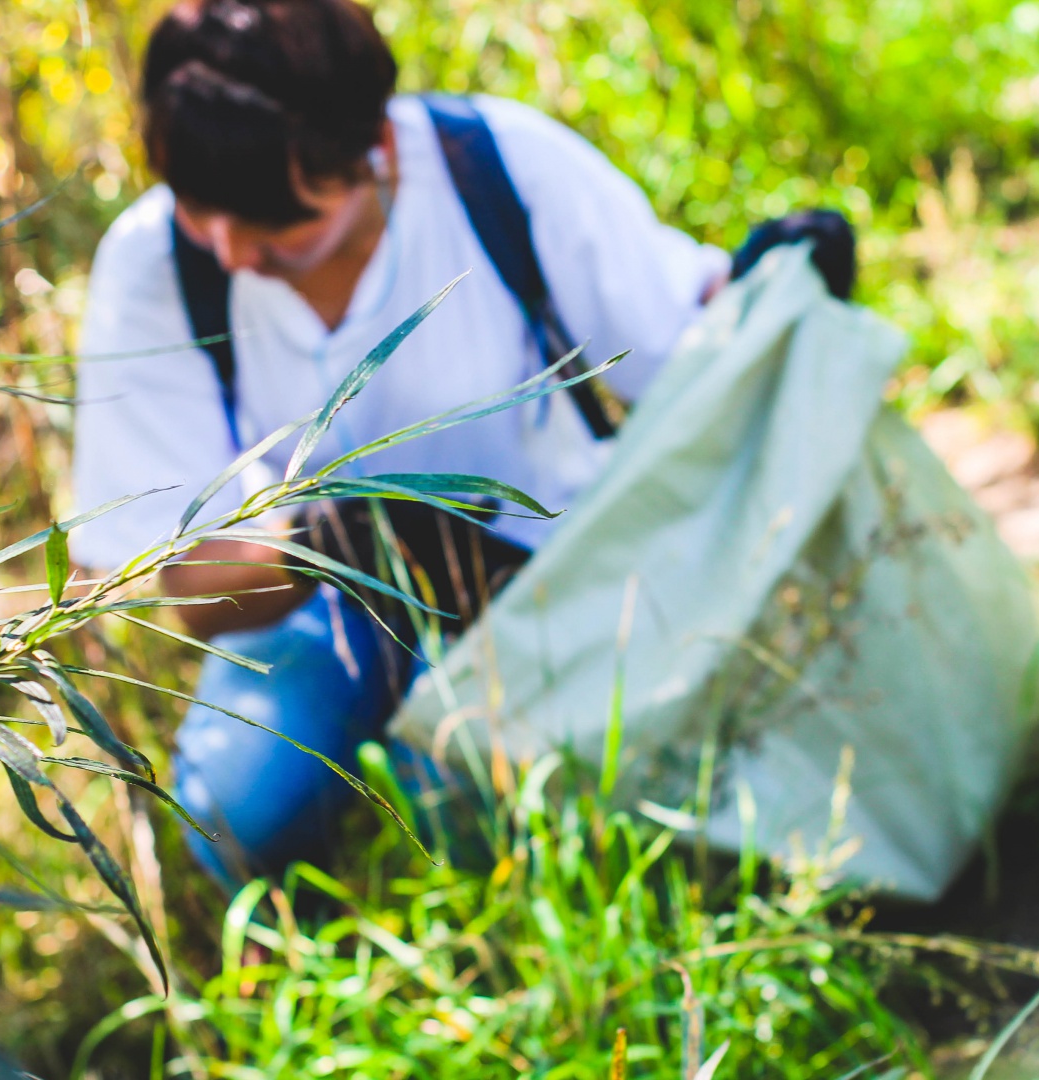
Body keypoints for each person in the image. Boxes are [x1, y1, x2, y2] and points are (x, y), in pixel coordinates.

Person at [70, 0, 852, 887]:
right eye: (200, 210)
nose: (233, 251)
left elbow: (686, 353)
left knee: (482, 813)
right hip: (321, 606)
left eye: (279, 225)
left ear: (374, 150)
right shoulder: (156, 265)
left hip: (549, 569)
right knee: (233, 811)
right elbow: (192, 589)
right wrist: (338, 541)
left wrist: (774, 284)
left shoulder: (499, 167)